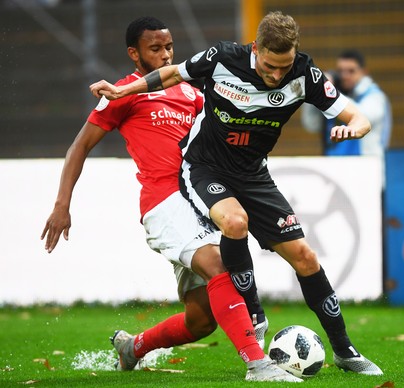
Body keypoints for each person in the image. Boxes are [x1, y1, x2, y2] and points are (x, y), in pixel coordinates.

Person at [90, 11, 383, 376]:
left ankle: (345, 350)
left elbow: (358, 116)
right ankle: (254, 313)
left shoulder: (305, 75)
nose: (277, 76)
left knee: (305, 257)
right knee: (234, 221)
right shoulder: (223, 58)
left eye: (285, 66)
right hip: (204, 168)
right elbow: (171, 72)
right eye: (271, 66)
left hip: (254, 176)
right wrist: (123, 90)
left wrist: (354, 129)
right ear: (256, 49)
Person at [41, 16, 302, 383]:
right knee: (221, 266)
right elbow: (79, 146)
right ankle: (259, 366)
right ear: (135, 54)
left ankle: (134, 347)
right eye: (155, 49)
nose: (165, 56)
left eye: (169, 47)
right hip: (164, 203)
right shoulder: (126, 91)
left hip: (201, 199)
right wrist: (61, 205)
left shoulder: (191, 93)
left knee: (202, 320)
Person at [301, 48, 392, 160]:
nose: (345, 76)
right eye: (340, 71)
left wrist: (329, 91)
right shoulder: (332, 97)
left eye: (351, 71)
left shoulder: (375, 96)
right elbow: (312, 125)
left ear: (364, 72)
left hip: (366, 166)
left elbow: (362, 117)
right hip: (335, 164)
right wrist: (315, 90)